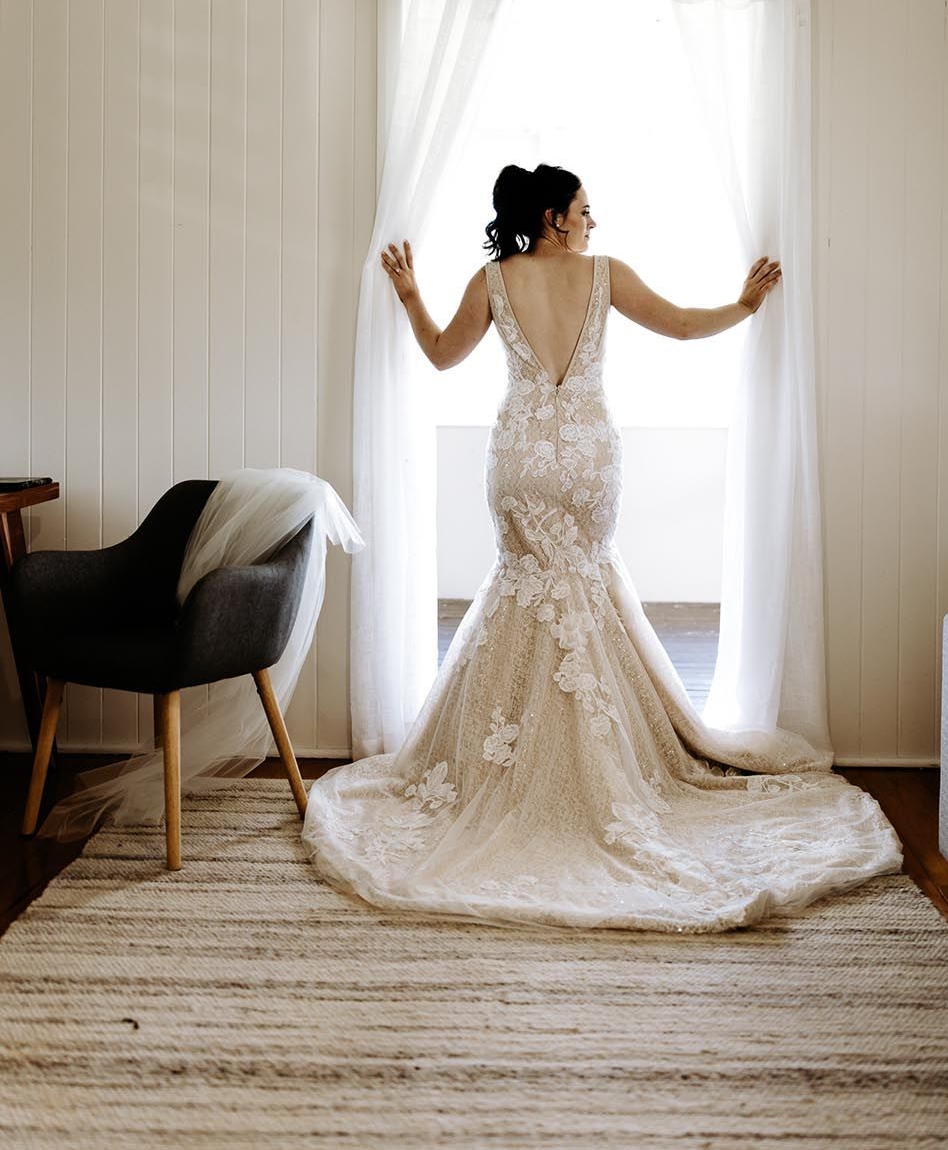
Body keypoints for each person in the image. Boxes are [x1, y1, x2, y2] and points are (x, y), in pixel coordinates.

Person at [301, 163, 903, 933]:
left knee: (522, 587)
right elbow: (684, 323)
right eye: (584, 210)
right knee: (583, 586)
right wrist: (745, 305)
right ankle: (601, 768)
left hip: (520, 453)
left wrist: (410, 294)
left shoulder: (493, 278)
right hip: (587, 454)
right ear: (553, 217)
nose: (592, 221)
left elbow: (443, 355)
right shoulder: (604, 275)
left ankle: (512, 772)